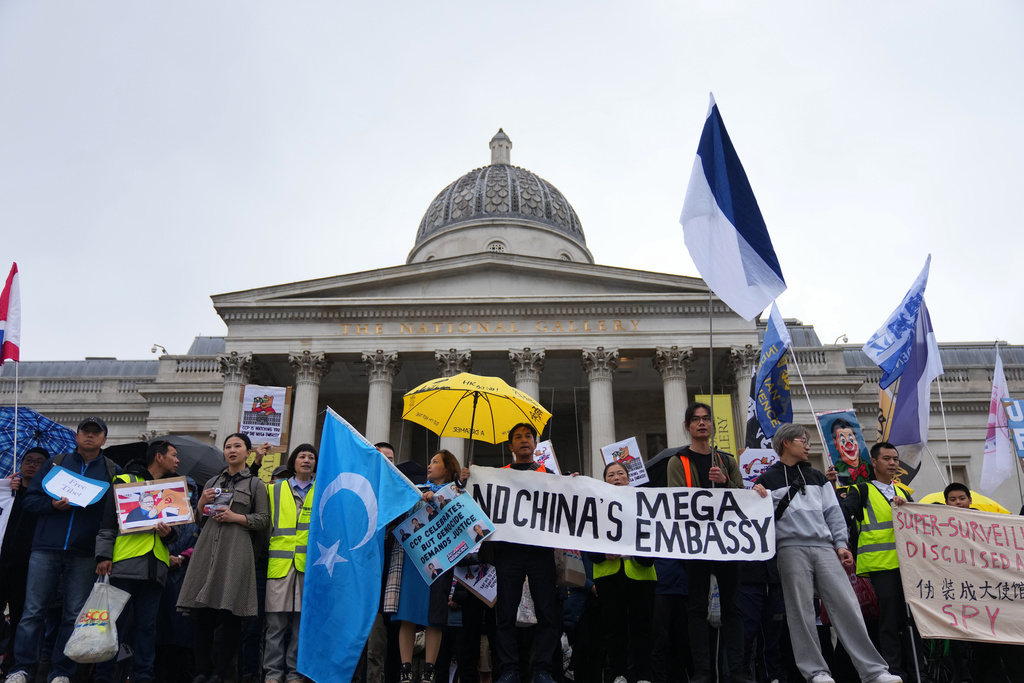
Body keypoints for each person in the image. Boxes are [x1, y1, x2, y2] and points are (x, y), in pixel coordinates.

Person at [753, 424, 899, 683]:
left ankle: (874, 671)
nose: (808, 445)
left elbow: (833, 512)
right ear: (786, 443)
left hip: (825, 547)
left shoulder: (819, 477)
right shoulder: (765, 481)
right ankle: (816, 672)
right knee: (801, 612)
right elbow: (757, 521)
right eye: (802, 440)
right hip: (789, 549)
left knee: (847, 606)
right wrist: (754, 496)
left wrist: (842, 544)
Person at [4, 417, 119, 683]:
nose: (89, 436)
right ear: (77, 436)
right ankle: (21, 668)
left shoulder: (113, 470)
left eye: (95, 433)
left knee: (73, 613)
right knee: (33, 611)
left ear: (104, 439)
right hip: (45, 546)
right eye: (85, 431)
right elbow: (30, 499)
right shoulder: (55, 463)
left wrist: (104, 553)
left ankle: (61, 672)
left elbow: (113, 516)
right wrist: (50, 505)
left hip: (84, 550)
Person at [461, 423, 560, 683]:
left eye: (528, 436)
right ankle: (508, 670)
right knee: (505, 613)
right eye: (518, 437)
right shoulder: (498, 476)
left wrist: (573, 486)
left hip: (539, 551)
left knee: (547, 612)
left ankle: (542, 669)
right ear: (511, 446)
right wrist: (468, 481)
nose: (524, 440)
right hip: (509, 552)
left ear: (535, 444)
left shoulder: (548, 474)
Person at [665, 403, 751, 683]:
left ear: (712, 425)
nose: (702, 424)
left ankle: (737, 670)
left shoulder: (726, 461)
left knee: (732, 607)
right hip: (697, 543)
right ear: (688, 426)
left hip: (727, 543)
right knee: (697, 607)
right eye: (696, 420)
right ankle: (702, 671)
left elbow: (744, 502)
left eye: (706, 419)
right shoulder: (678, 462)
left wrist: (725, 482)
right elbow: (677, 501)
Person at [177, 433, 270, 683]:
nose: (231, 450)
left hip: (236, 551)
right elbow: (197, 520)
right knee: (203, 614)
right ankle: (201, 671)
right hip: (207, 550)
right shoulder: (211, 482)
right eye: (228, 446)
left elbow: (264, 520)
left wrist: (237, 517)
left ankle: (219, 672)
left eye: (237, 446)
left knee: (230, 614)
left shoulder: (255, 485)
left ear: (248, 452)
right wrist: (200, 504)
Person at [94, 440, 182, 683]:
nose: (177, 461)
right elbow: (108, 522)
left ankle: (143, 675)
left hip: (155, 569)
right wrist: (103, 556)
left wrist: (170, 535)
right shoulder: (124, 481)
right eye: (174, 455)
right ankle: (105, 676)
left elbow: (175, 533)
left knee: (147, 627)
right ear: (158, 456)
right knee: (115, 625)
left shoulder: (172, 490)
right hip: (124, 565)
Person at [840, 442, 916, 681]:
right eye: (887, 459)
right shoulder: (861, 490)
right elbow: (841, 515)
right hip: (880, 564)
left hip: (908, 566)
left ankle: (917, 670)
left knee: (911, 621)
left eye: (895, 459)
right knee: (890, 620)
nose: (893, 463)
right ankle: (894, 671)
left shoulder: (904, 493)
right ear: (874, 462)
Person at [396, 449, 461, 683]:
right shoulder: (417, 491)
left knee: (434, 616)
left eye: (436, 462)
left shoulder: (457, 494)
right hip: (414, 560)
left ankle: (429, 670)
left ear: (448, 469)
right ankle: (405, 669)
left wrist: (439, 499)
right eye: (430, 461)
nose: (430, 465)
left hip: (439, 562)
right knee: (407, 614)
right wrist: (420, 500)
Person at [590, 461, 656, 683]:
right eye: (610, 474)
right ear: (605, 480)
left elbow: (653, 538)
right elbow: (588, 543)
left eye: (620, 473)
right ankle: (619, 674)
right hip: (609, 576)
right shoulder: (596, 507)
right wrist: (602, 553)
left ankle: (644, 676)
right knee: (615, 629)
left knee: (642, 628)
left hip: (640, 575)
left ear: (629, 479)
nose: (616, 477)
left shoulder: (644, 505)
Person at [263, 443, 316, 683]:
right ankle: (273, 674)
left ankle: (295, 674)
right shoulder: (274, 489)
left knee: (300, 627)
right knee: (275, 626)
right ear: (293, 461)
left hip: (309, 568)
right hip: (280, 567)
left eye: (311, 457)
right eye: (302, 456)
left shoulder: (322, 490)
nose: (306, 460)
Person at [0, 447, 49, 674]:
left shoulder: (45, 498)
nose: (32, 465)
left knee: (22, 618)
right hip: (2, 563)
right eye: (28, 460)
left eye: (38, 462)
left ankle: (12, 665)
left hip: (28, 567)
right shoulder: (9, 491)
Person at [830, 418, 871, 483]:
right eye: (843, 440)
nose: (848, 444)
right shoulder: (835, 472)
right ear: (836, 444)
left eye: (851, 439)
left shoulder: (870, 468)